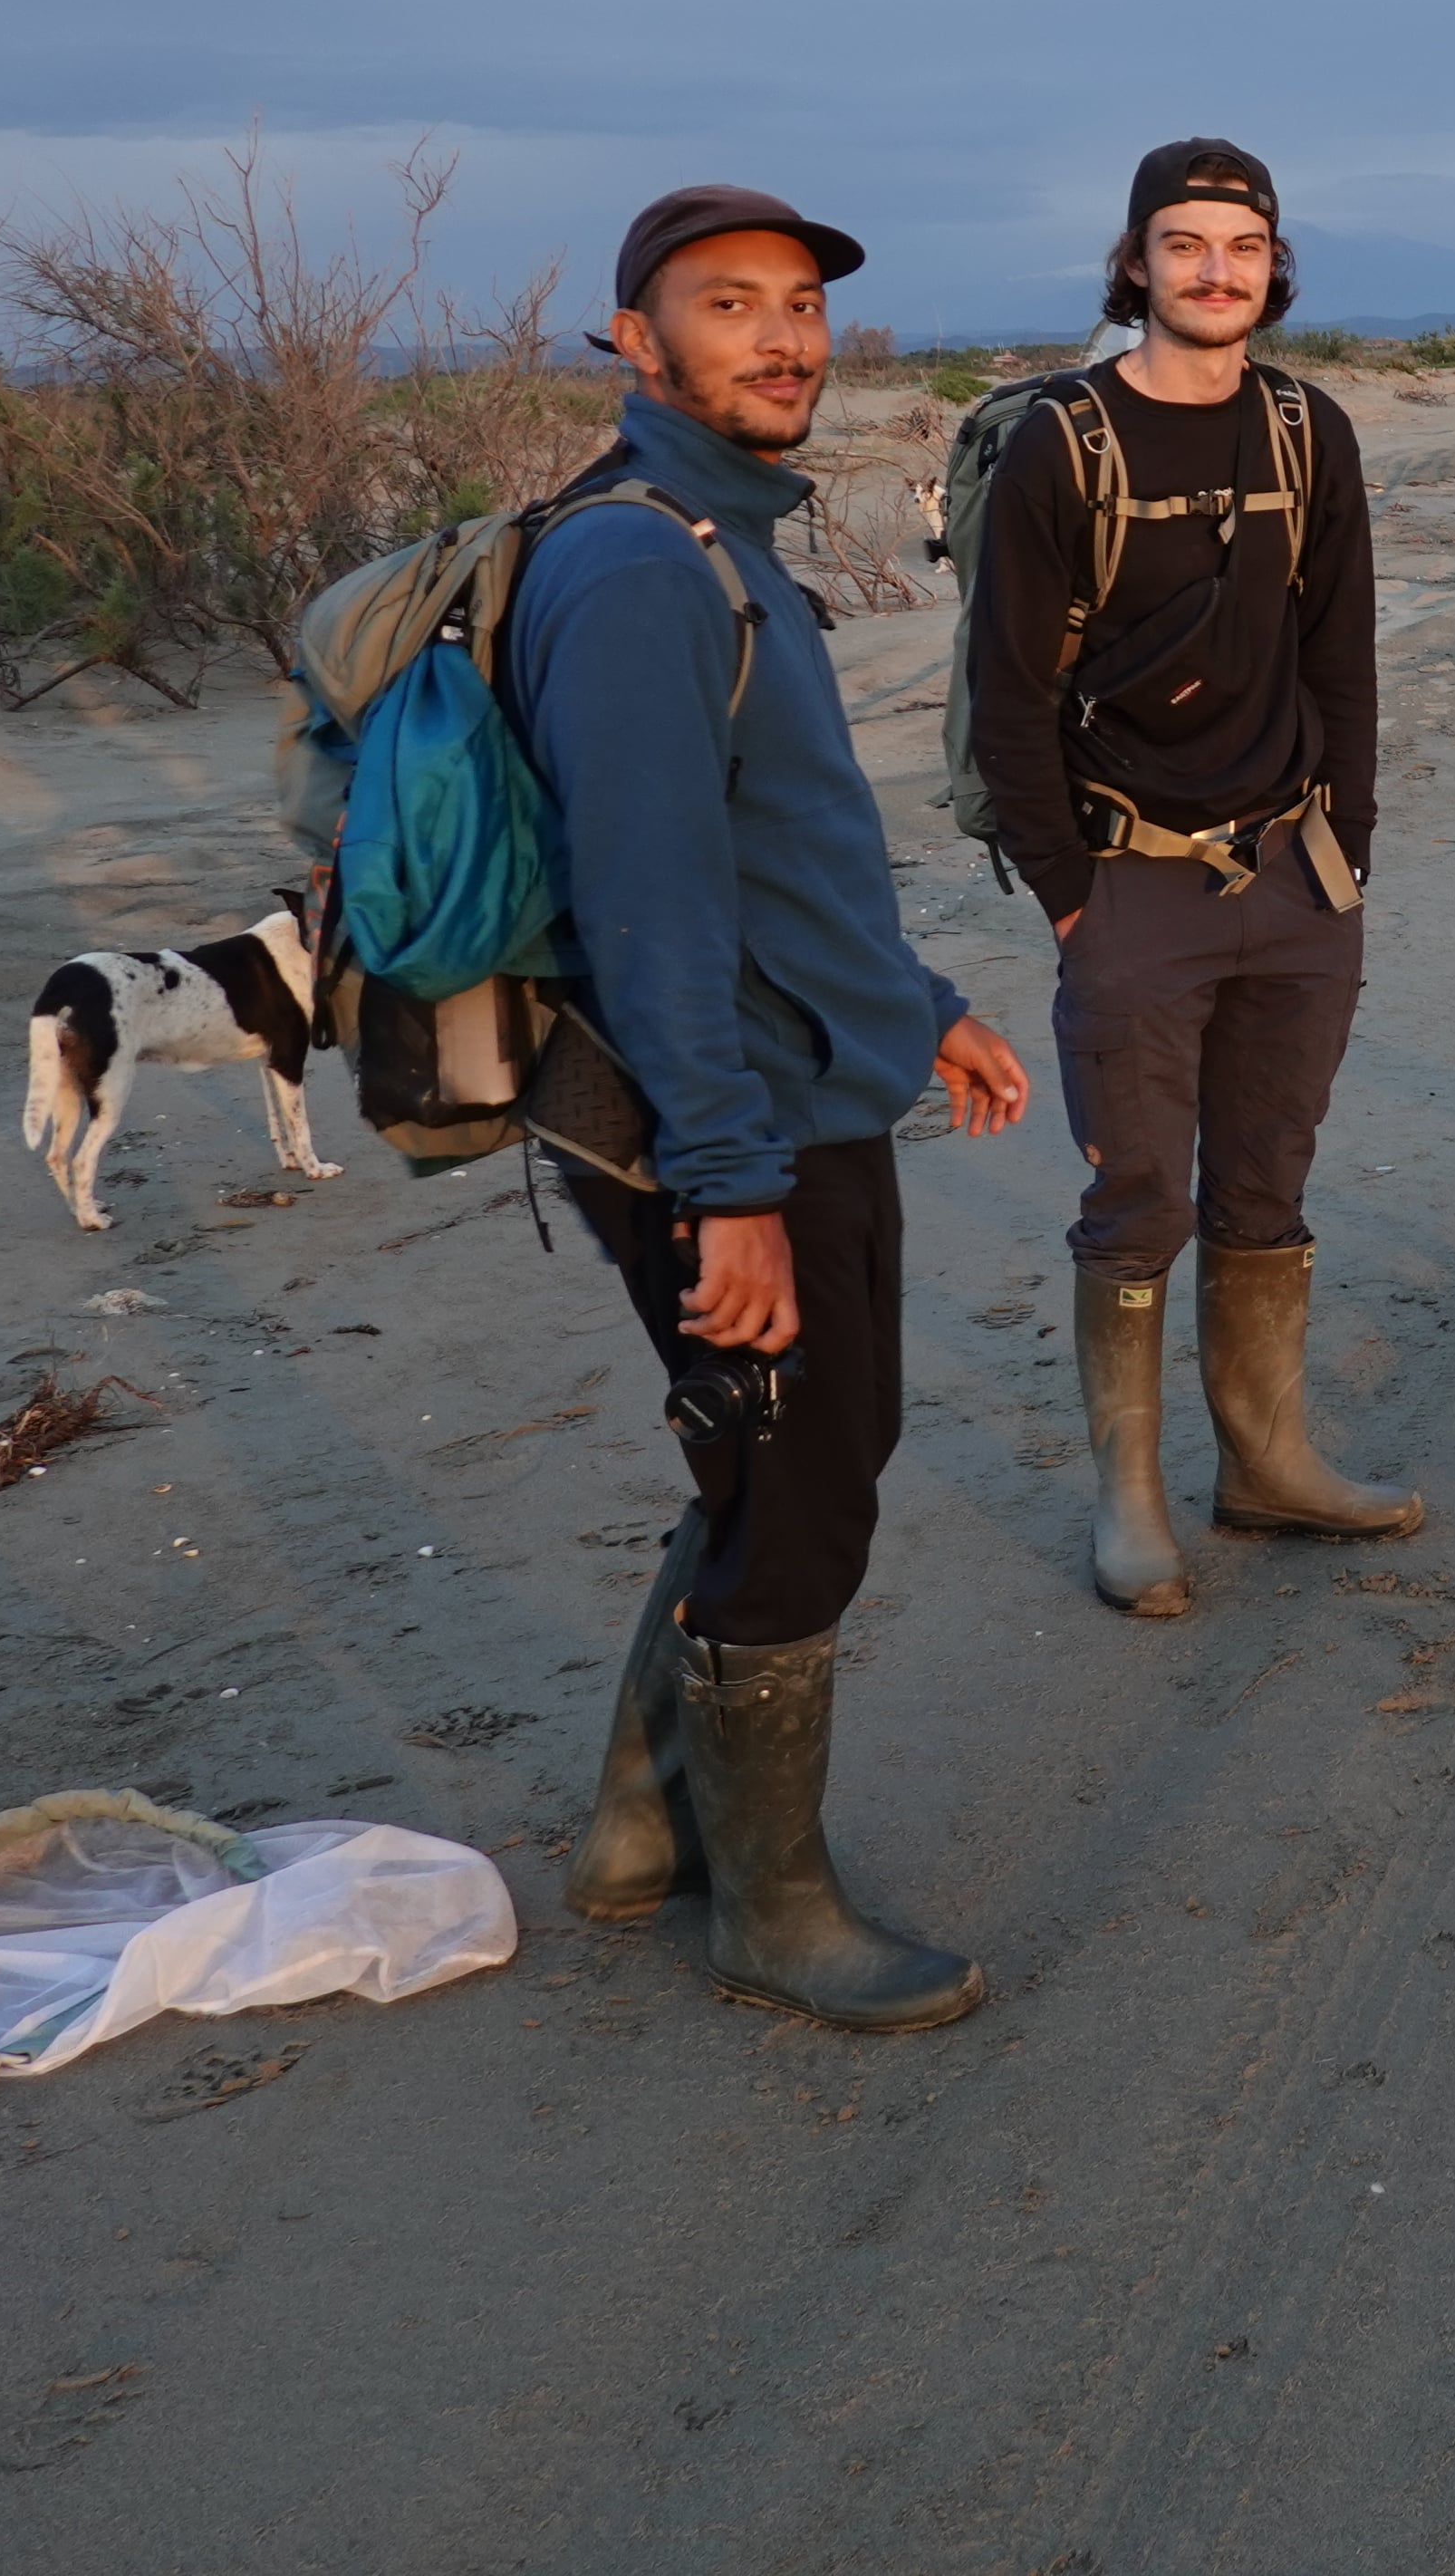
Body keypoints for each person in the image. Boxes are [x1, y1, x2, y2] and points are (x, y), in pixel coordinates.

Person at [519, 184, 1032, 2034]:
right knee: (803, 1497)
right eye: (729, 303)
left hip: (786, 1081)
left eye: (801, 304)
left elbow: (781, 852)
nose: (783, 337)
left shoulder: (715, 539)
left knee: (787, 1460)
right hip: (719, 1117)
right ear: (635, 341)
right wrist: (727, 1188)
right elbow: (651, 910)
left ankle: (639, 1832)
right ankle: (772, 1909)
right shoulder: (639, 572)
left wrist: (924, 1007)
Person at [965, 140, 1418, 1618]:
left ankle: (1268, 1461)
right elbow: (1008, 697)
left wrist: (1347, 849)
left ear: (1274, 267)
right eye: (1184, 244)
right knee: (1140, 1194)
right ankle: (1133, 1502)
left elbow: (1342, 657)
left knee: (1269, 1178)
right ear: (1135, 264)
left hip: (1297, 877)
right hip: (1130, 883)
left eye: (1242, 246)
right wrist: (1074, 898)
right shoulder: (1066, 445)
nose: (1216, 271)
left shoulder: (1308, 429)